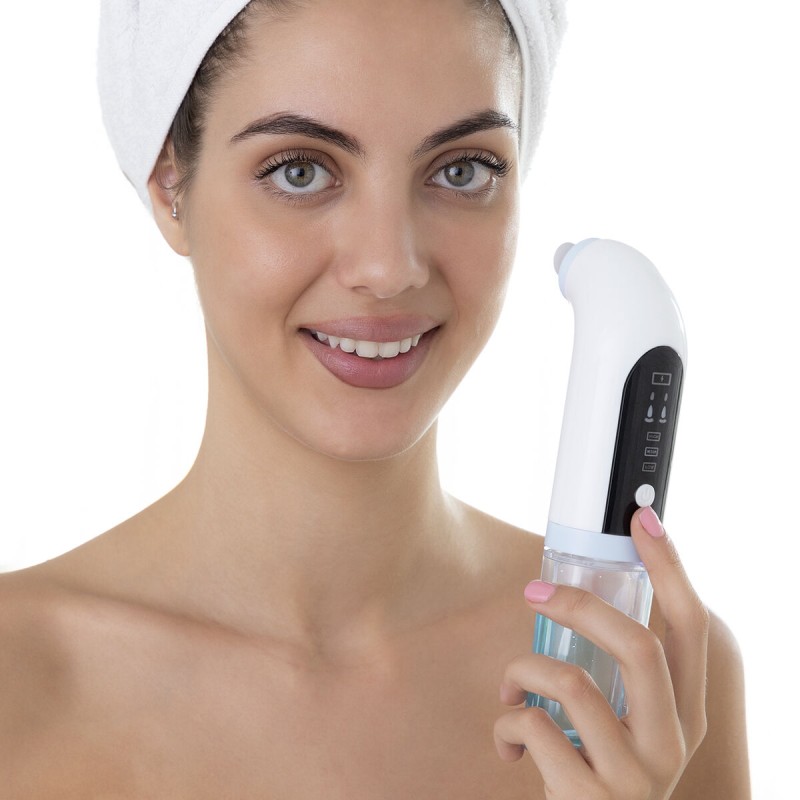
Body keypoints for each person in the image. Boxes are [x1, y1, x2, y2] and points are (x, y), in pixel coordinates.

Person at [0, 0, 749, 797]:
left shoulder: (643, 679)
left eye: (463, 170)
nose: (389, 267)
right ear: (168, 184)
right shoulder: (18, 681)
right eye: (300, 170)